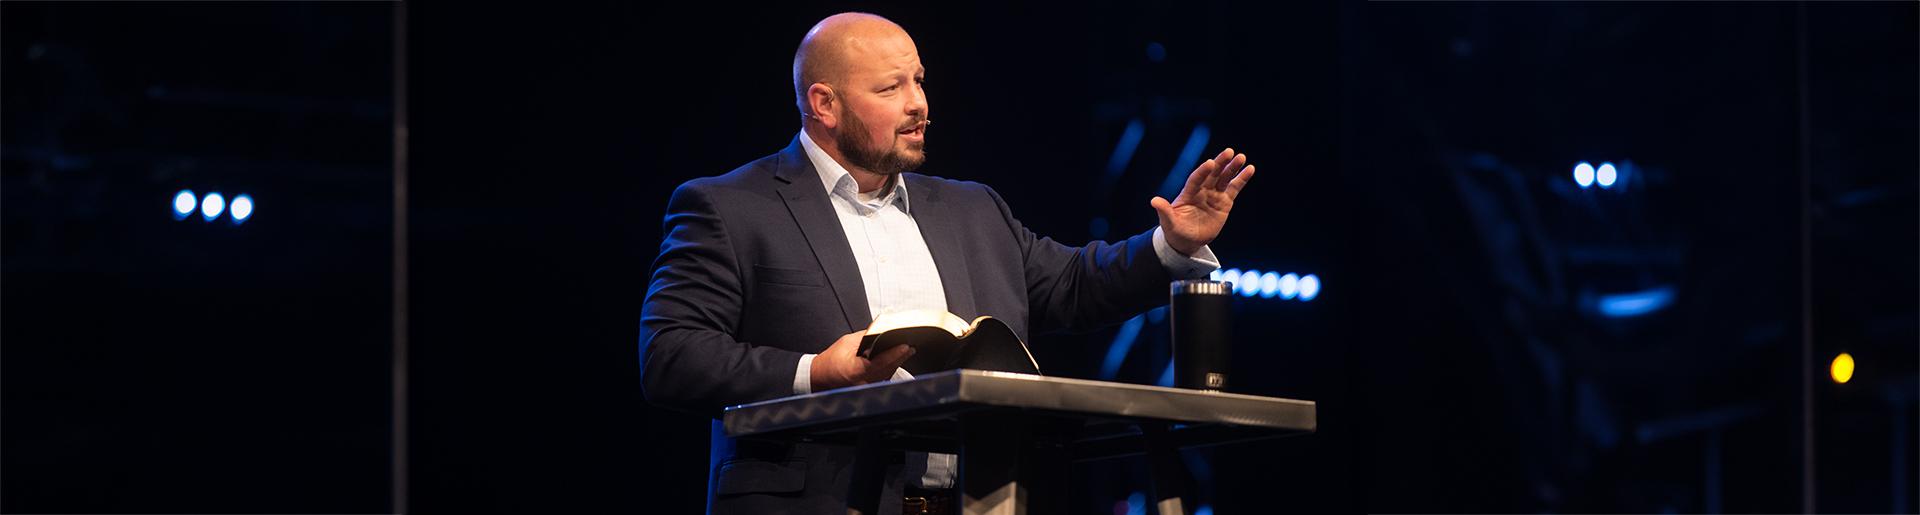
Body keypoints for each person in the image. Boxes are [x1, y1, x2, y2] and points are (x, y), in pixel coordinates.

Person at [638, 12, 1256, 514]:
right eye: (890, 88)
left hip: (978, 496)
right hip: (819, 498)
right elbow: (672, 356)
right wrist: (813, 373)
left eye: (919, 80)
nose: (919, 104)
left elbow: (1073, 285)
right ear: (823, 104)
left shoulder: (972, 207)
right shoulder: (729, 206)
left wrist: (1172, 245)